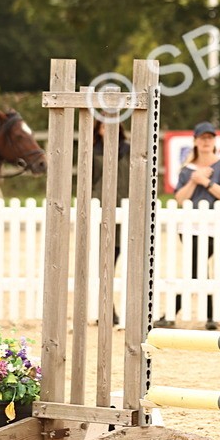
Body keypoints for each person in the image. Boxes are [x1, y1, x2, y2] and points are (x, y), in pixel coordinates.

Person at [156, 121, 220, 331]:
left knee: (197, 268)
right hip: (189, 227)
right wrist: (194, 180)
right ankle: (209, 317)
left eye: (209, 138)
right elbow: (181, 198)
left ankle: (173, 314)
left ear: (214, 142)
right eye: (202, 138)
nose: (206, 142)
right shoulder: (187, 171)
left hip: (213, 228)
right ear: (195, 141)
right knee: (198, 268)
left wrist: (207, 182)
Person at [92, 119, 130, 327]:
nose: (109, 129)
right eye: (104, 126)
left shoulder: (129, 150)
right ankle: (107, 309)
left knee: (129, 266)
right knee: (105, 264)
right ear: (99, 130)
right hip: (102, 212)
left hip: (126, 210)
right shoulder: (93, 151)